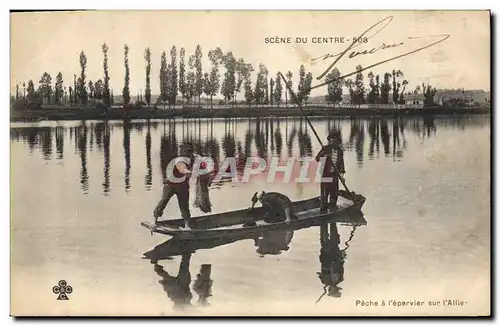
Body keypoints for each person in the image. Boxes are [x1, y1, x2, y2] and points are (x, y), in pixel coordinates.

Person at [153, 143, 195, 229]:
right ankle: (155, 221)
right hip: (170, 185)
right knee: (163, 201)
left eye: (190, 152)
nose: (190, 154)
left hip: (183, 186)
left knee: (184, 206)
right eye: (188, 152)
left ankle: (187, 225)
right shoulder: (179, 160)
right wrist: (187, 172)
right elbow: (182, 168)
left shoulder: (192, 158)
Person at [315, 131, 345, 213]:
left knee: (334, 193)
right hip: (326, 174)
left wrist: (342, 175)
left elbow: (341, 164)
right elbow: (317, 159)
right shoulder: (326, 148)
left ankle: (333, 210)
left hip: (335, 175)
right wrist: (324, 155)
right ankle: (323, 210)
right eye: (331, 140)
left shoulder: (340, 151)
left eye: (335, 140)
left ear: (338, 141)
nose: (333, 142)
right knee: (325, 193)